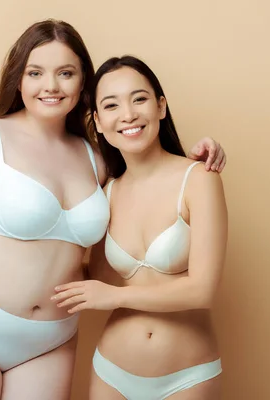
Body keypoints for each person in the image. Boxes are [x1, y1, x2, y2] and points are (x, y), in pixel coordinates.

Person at [0, 20, 226, 400]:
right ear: (19, 80)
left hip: (50, 340)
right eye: (36, 73)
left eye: (65, 73)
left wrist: (200, 155)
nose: (51, 86)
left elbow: (148, 180)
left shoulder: (97, 160)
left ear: (83, 85)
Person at [52, 55, 228, 400]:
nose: (128, 114)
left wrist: (116, 297)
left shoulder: (198, 179)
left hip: (187, 377)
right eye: (112, 105)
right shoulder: (107, 193)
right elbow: (99, 276)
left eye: (140, 99)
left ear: (161, 107)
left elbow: (202, 290)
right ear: (99, 123)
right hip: (111, 372)